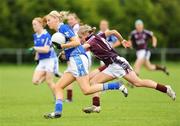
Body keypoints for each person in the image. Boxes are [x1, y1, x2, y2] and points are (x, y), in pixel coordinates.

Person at [44, 10, 128, 119]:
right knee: (58, 87)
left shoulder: (63, 28)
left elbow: (77, 42)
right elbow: (72, 45)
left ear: (56, 19)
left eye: (49, 20)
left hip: (77, 59)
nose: (47, 22)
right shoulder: (60, 30)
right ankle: (57, 112)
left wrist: (62, 47)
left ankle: (116, 85)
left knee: (86, 90)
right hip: (73, 60)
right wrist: (64, 54)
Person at [76, 25, 176, 113]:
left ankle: (166, 88)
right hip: (111, 66)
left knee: (138, 83)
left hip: (118, 64)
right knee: (94, 82)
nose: (80, 39)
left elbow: (81, 48)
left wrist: (66, 51)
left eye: (80, 37)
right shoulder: (99, 35)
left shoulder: (90, 41)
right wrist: (122, 40)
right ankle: (96, 106)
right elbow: (114, 31)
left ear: (85, 34)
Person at [31, 17, 59, 98]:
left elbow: (46, 50)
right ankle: (49, 74)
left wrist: (35, 48)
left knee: (49, 82)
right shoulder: (35, 35)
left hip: (50, 60)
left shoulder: (47, 35)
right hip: (42, 61)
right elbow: (37, 48)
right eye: (33, 25)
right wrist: (36, 57)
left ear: (40, 24)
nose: (33, 26)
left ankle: (57, 97)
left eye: (35, 24)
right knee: (35, 81)